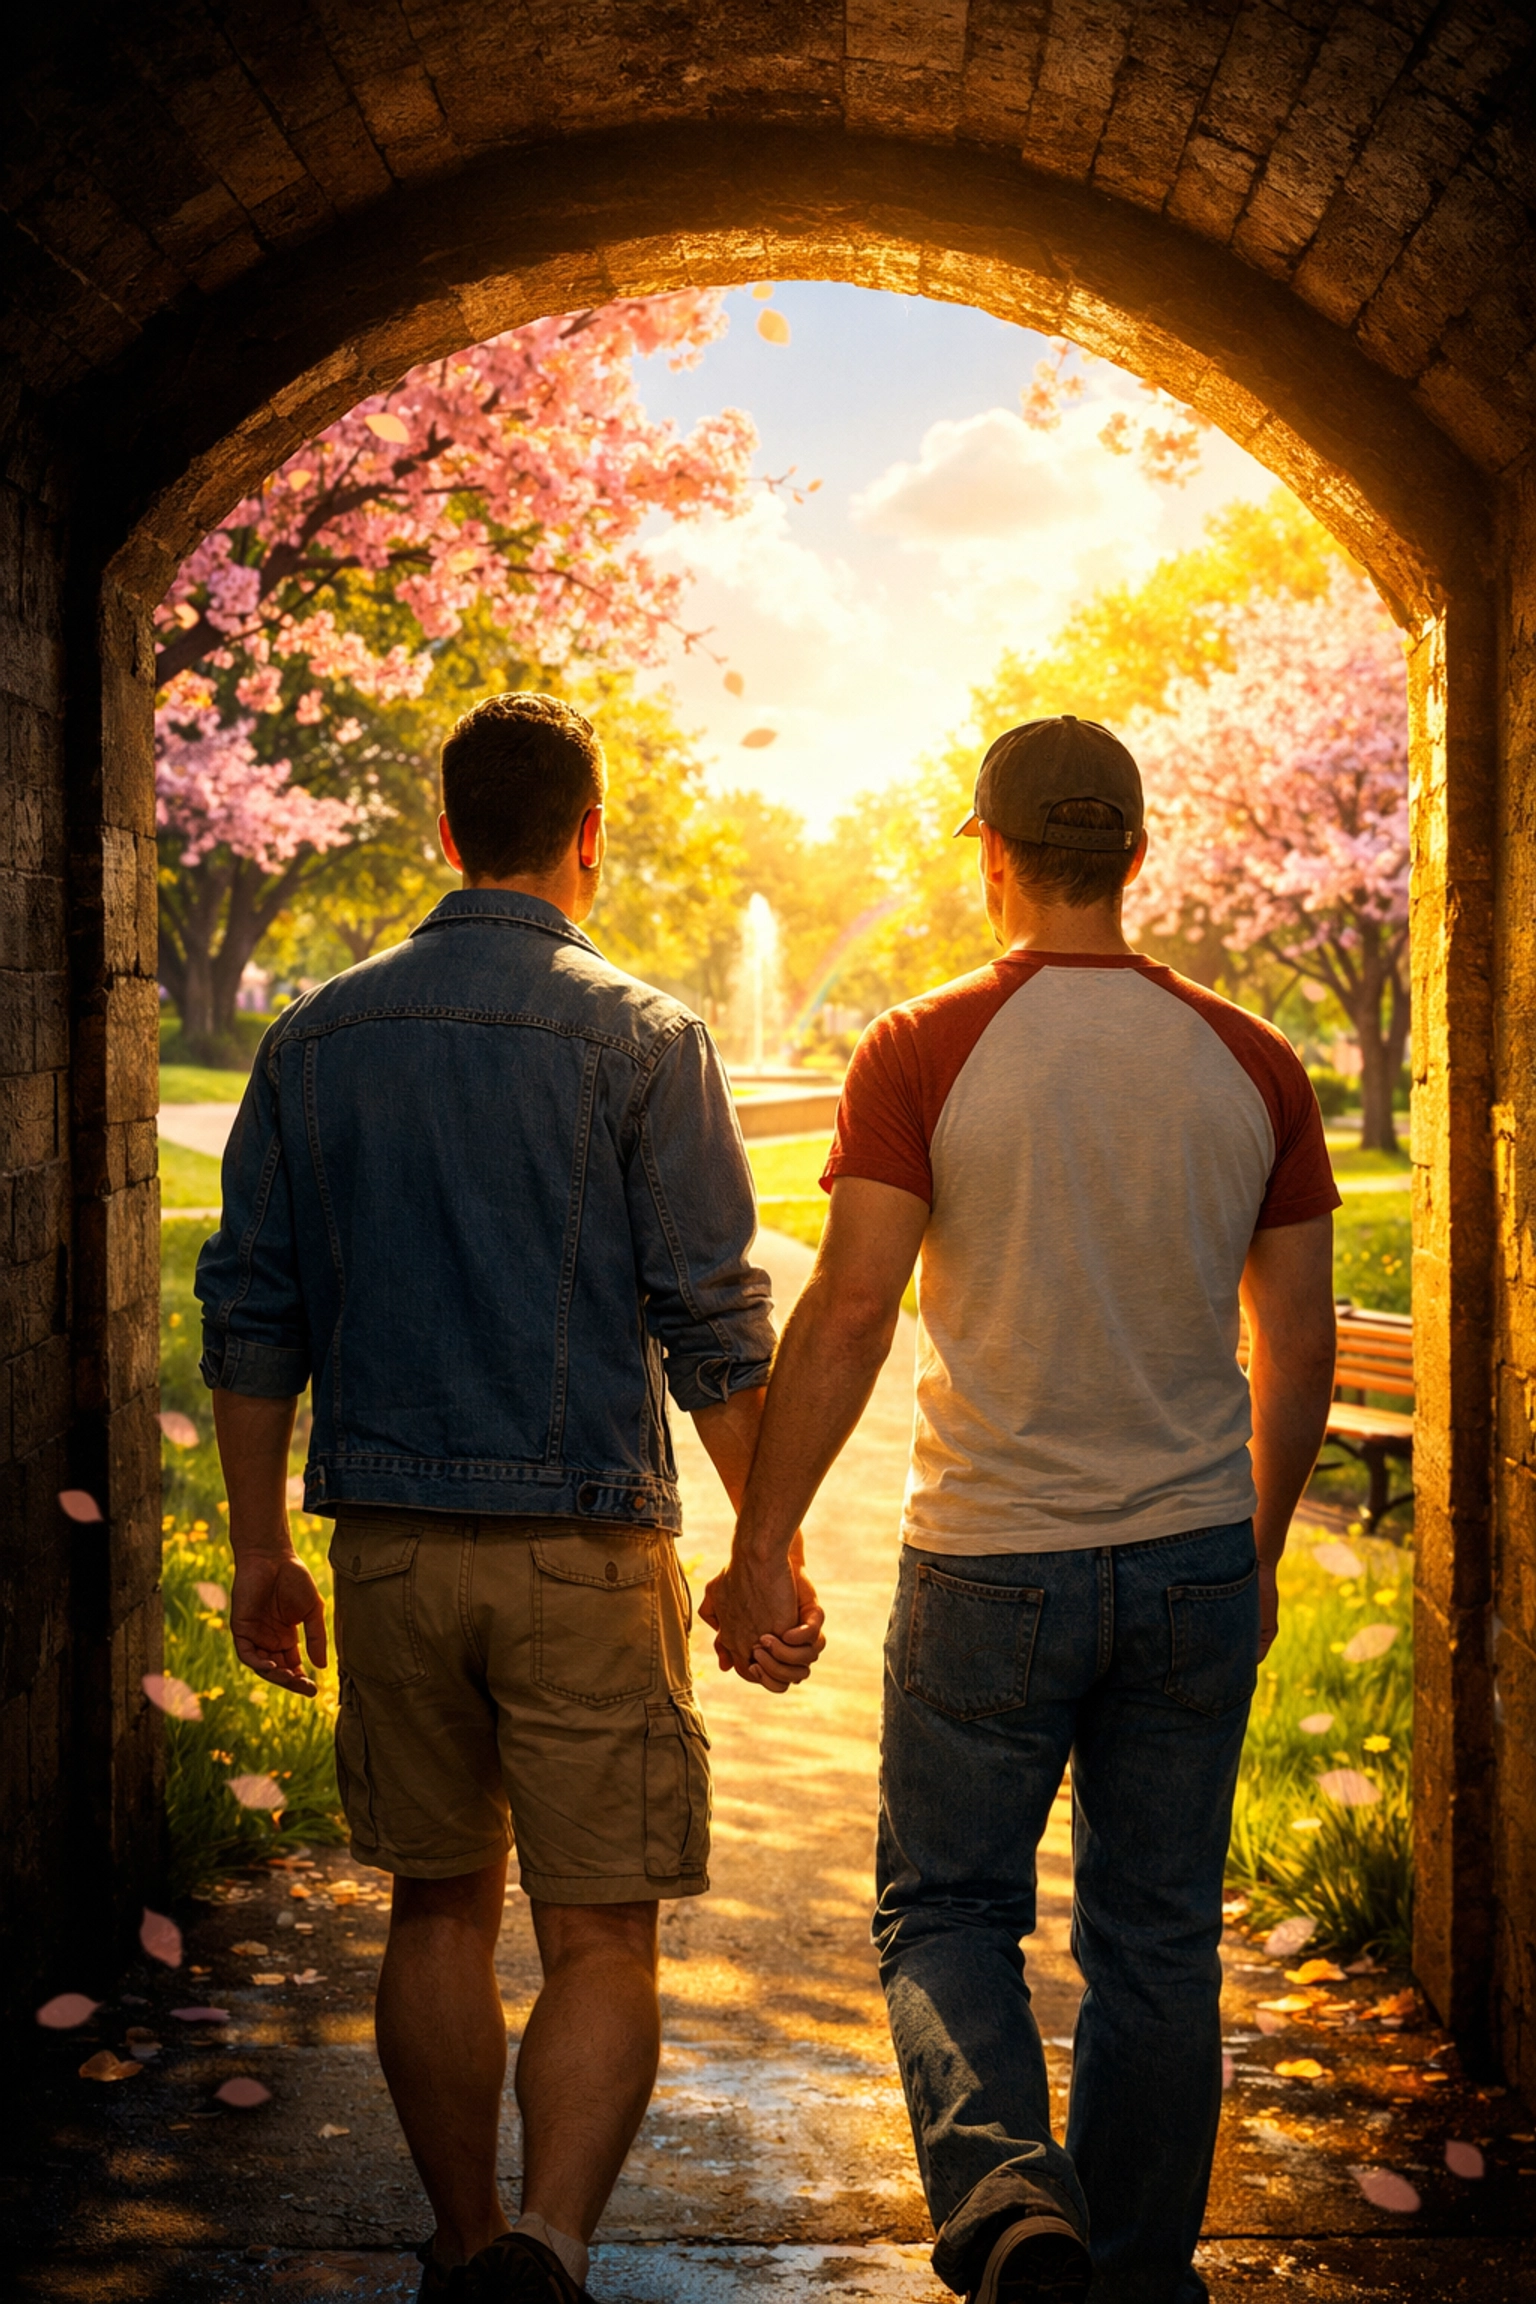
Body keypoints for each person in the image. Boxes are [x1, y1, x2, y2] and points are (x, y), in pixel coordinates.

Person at [196, 693, 824, 2304]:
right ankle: (547, 2245)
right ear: (590, 835)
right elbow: (710, 1323)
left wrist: (261, 1549)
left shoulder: (312, 1038)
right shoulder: (649, 1036)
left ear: (447, 832)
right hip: (584, 1555)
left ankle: (465, 2237)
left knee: (436, 1912)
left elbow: (252, 1312)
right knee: (602, 1930)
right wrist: (763, 1554)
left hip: (392, 1555)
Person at [705, 716, 1340, 2304]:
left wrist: (763, 1544)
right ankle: (1129, 2275)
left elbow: (852, 1308)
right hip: (1191, 1556)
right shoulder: (1254, 1059)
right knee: (1158, 1937)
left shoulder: (920, 1045)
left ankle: (1006, 2205)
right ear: (1137, 854)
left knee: (946, 1913)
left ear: (988, 856)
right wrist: (1258, 1545)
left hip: (990, 1562)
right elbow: (1301, 1335)